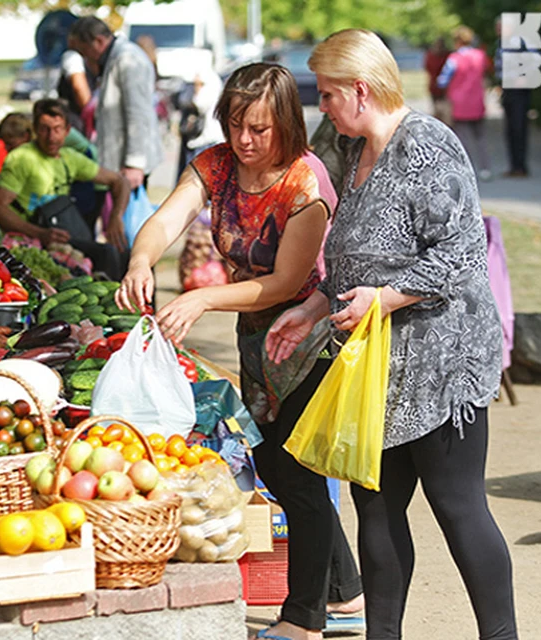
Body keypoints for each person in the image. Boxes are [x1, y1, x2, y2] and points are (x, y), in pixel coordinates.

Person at [267, 29, 518, 640]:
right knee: (374, 509)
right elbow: (356, 261)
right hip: (376, 367)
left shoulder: (429, 145)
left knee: (457, 507)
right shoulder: (354, 153)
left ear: (360, 89)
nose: (320, 106)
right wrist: (316, 305)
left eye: (327, 94)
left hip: (442, 363)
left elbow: (458, 257)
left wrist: (384, 298)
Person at [115, 63, 363, 640]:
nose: (245, 140)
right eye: (234, 124)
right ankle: (345, 591)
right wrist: (140, 260)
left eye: (259, 128)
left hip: (311, 334)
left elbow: (285, 281)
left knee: (297, 471)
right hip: (256, 336)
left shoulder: (306, 184)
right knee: (272, 462)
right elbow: (167, 217)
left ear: (285, 125)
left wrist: (202, 300)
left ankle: (304, 620)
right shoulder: (216, 163)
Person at [0, 99, 131, 280]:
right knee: (105, 255)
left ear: (67, 131)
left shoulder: (69, 158)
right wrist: (39, 234)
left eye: (57, 129)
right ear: (36, 130)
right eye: (45, 129)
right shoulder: (21, 158)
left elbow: (120, 181)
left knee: (122, 253)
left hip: (59, 236)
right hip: (29, 241)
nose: (51, 137)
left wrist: (116, 218)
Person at [68, 17, 163, 191]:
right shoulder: (115, 57)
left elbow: (137, 113)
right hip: (120, 161)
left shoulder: (128, 60)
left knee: (129, 217)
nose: (85, 58)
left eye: (84, 51)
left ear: (98, 41)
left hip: (130, 164)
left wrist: (134, 163)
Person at [437, 26, 493, 182]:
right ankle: (485, 169)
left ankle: (466, 170)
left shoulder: (454, 59)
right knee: (480, 137)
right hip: (477, 101)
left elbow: (442, 80)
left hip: (459, 103)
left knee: (462, 139)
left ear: (458, 41)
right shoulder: (480, 56)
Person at [495, 16, 533, 178]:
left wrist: (525, 76)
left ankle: (521, 166)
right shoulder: (500, 44)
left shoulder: (521, 43)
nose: (497, 30)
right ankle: (513, 166)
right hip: (507, 89)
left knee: (519, 127)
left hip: (519, 90)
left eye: (500, 27)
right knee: (510, 129)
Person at [424, 37, 451, 125]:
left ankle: (439, 123)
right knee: (443, 107)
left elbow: (427, 68)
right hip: (444, 85)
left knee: (437, 108)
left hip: (435, 84)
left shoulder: (430, 55)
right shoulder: (447, 56)